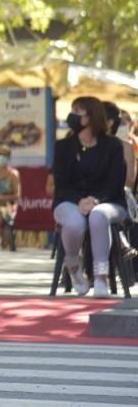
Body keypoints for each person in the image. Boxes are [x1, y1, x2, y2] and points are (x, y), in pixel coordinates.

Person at [53, 97, 127, 298]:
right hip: (69, 200)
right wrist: (80, 200)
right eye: (72, 110)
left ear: (92, 117)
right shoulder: (63, 147)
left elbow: (115, 182)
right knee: (75, 223)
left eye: (78, 111)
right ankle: (74, 266)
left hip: (108, 201)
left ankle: (100, 277)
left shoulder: (112, 146)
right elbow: (61, 184)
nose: (73, 116)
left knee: (97, 215)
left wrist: (95, 200)